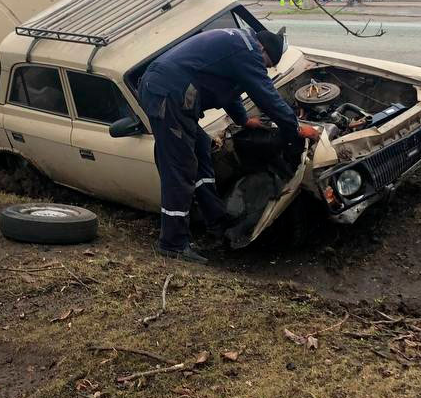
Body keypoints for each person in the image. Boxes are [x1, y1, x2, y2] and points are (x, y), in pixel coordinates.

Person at [137, 26, 319, 263]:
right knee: (180, 167)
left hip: (170, 92)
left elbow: (230, 89)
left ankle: (216, 219)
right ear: (263, 49)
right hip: (167, 95)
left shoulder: (239, 45)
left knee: (201, 147)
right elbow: (265, 94)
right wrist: (295, 127)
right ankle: (172, 243)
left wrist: (243, 120)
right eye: (266, 64)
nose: (264, 68)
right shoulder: (247, 52)